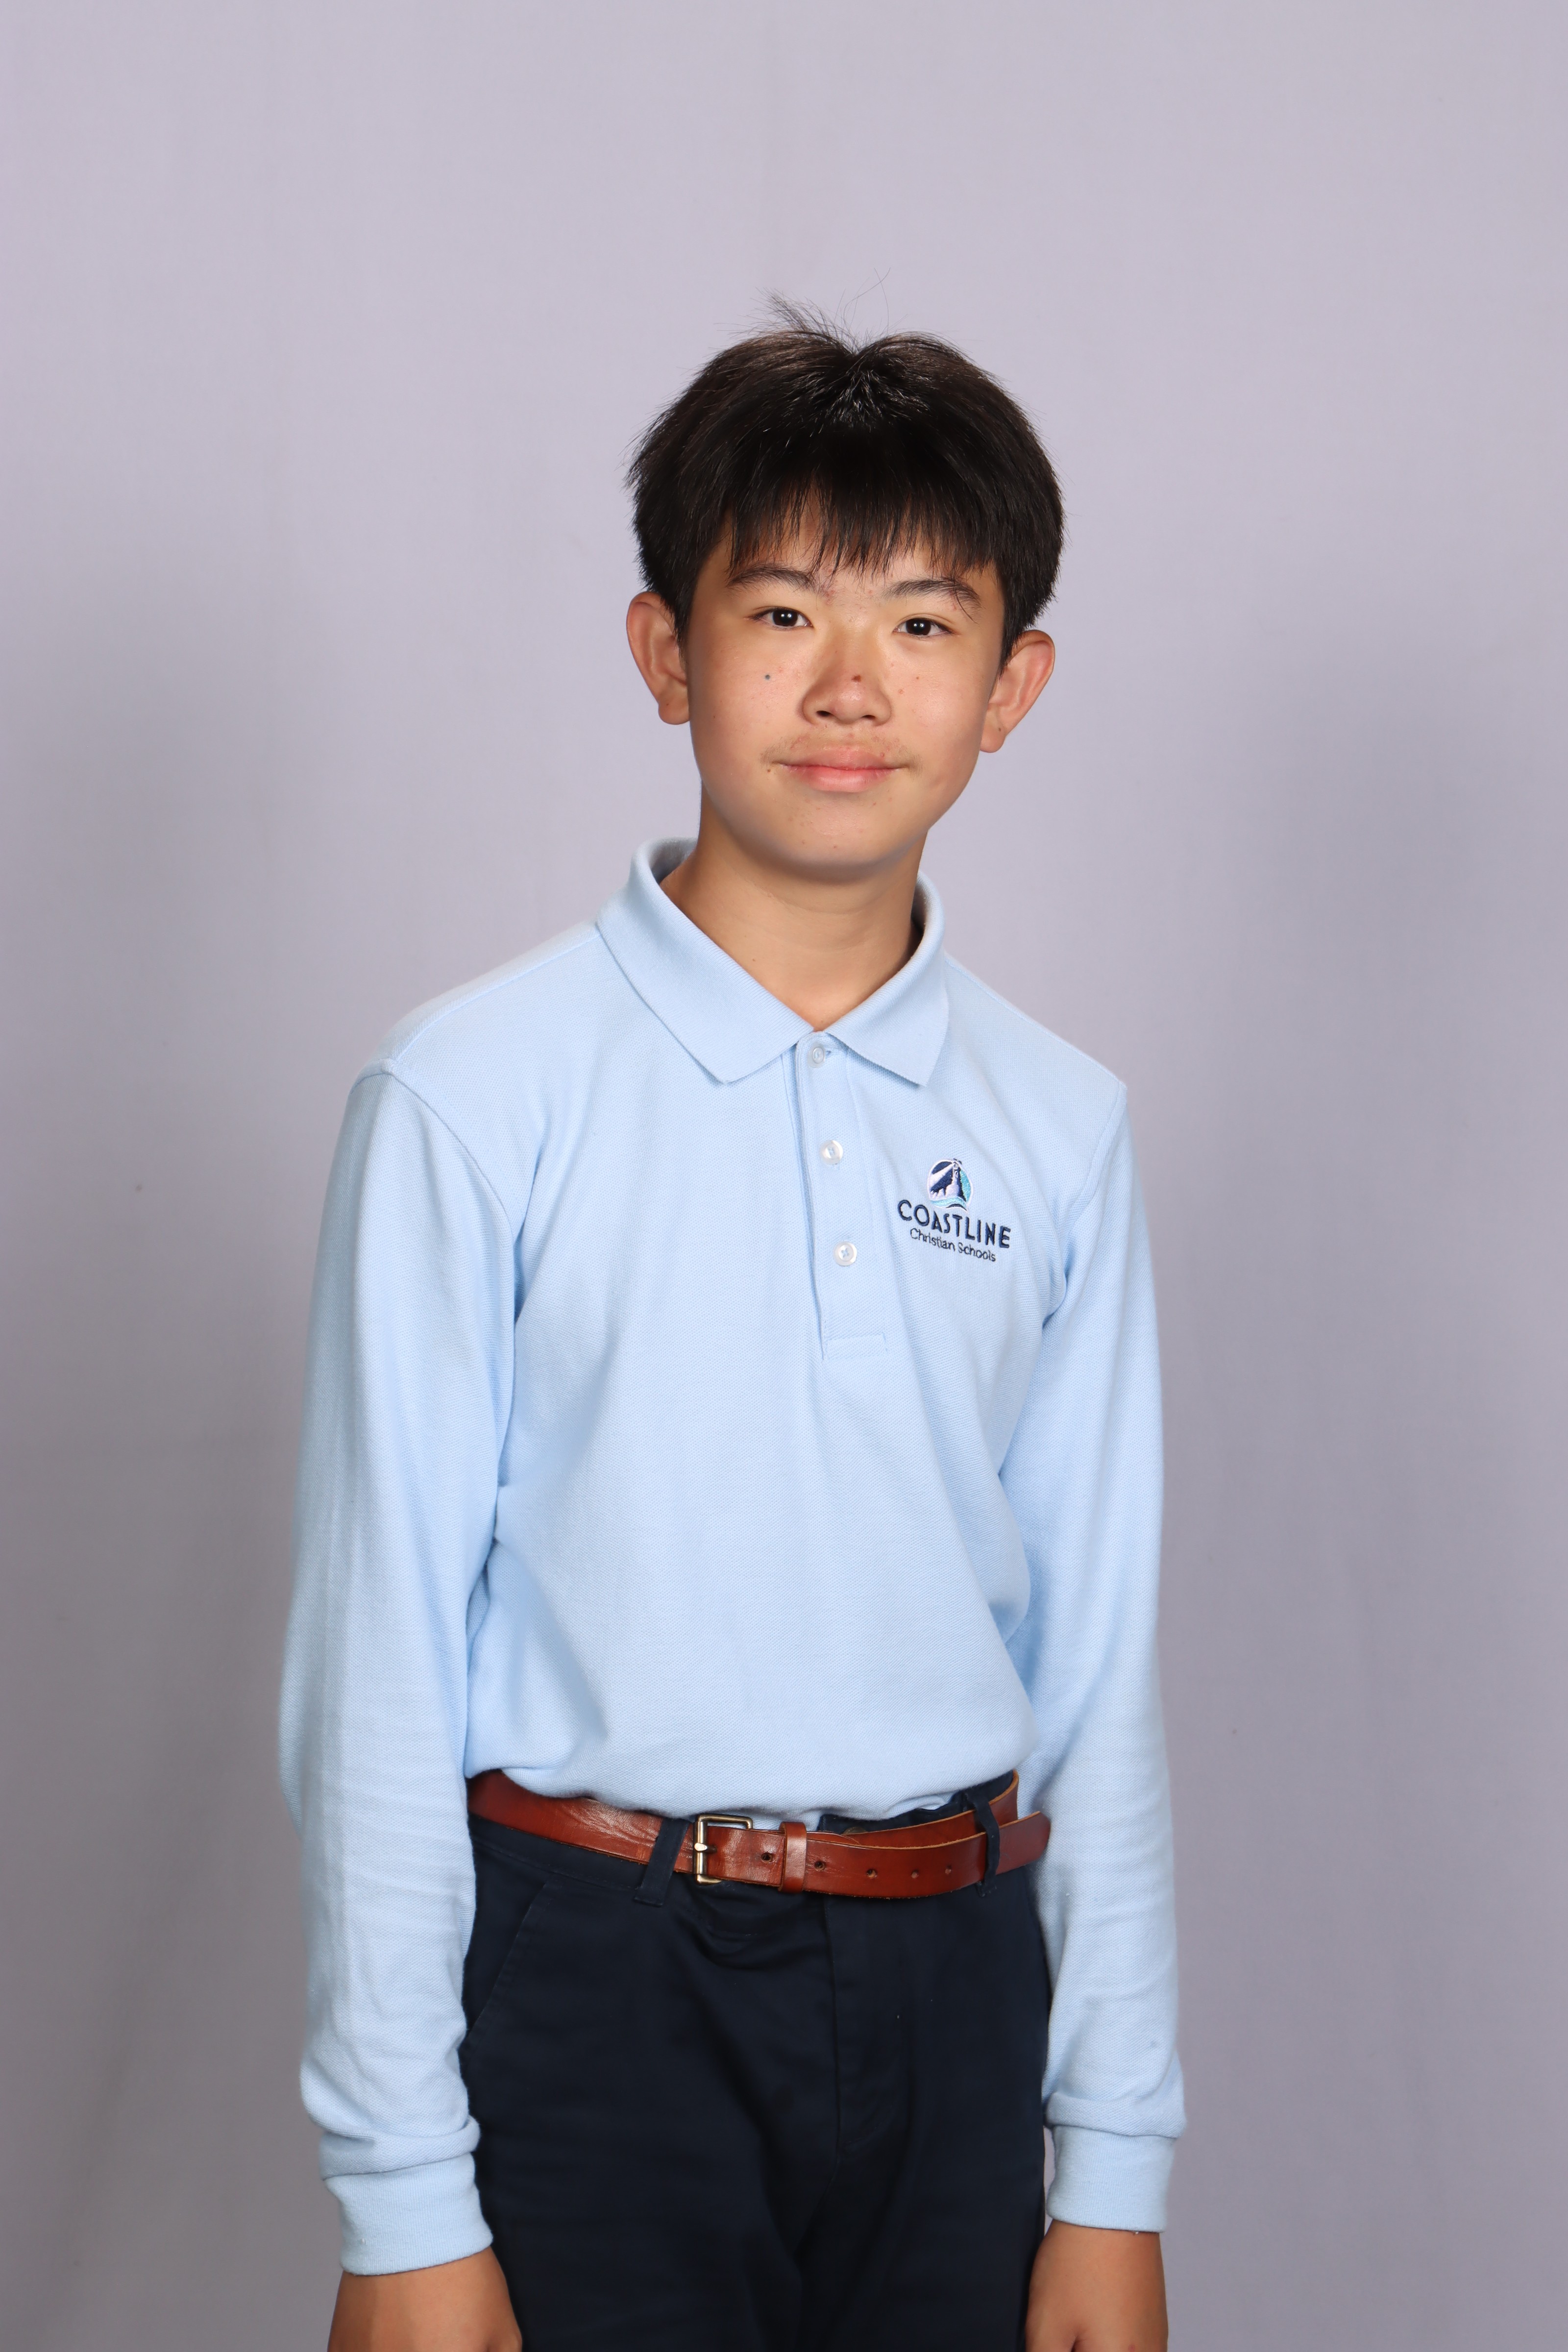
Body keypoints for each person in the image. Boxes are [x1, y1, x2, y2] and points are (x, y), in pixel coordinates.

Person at [281, 315, 1184, 2352]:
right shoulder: (472, 1093)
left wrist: (1112, 2168)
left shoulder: (1060, 1126)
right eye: (781, 612)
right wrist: (401, 2197)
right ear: (665, 652)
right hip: (598, 1984)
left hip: (958, 1993)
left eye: (923, 624)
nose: (849, 685)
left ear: (1011, 686)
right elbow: (373, 1673)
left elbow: (1098, 1674)